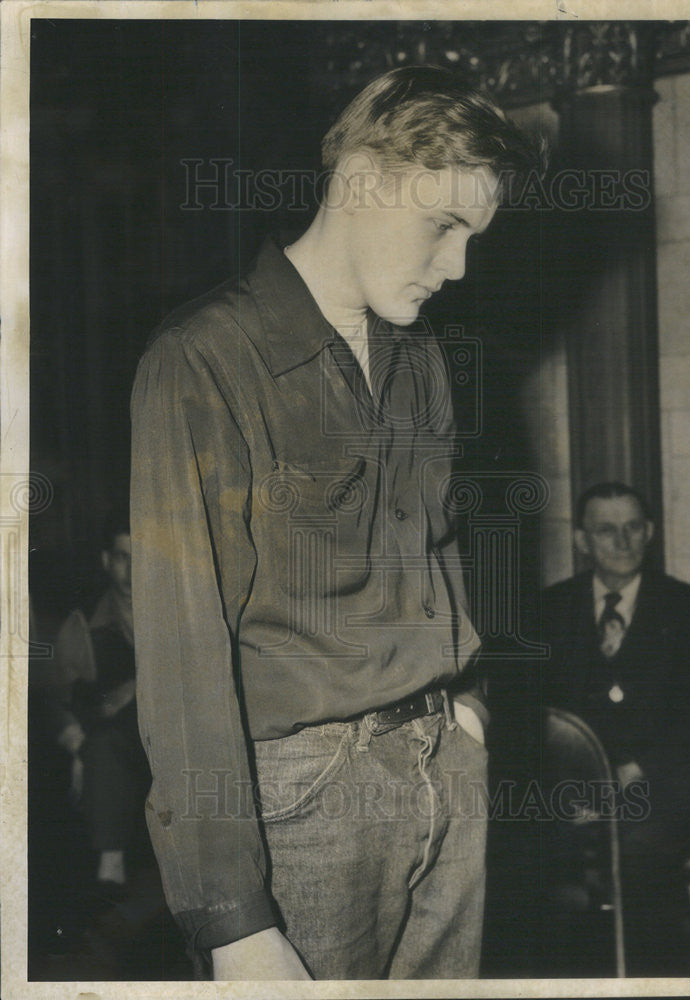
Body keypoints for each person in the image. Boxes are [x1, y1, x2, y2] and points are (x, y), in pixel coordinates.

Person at [130, 66, 538, 981]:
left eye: (475, 237)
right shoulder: (202, 360)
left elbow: (440, 549)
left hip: (447, 772)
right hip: (302, 810)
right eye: (444, 227)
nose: (459, 266)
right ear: (360, 178)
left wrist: (467, 712)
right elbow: (181, 658)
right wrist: (231, 919)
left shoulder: (421, 353)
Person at [536, 482, 690, 976]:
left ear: (650, 532)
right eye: (606, 530)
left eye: (633, 527)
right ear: (582, 541)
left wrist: (636, 770)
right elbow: (536, 715)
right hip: (567, 792)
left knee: (642, 862)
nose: (622, 541)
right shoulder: (548, 610)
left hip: (656, 789)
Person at [50, 512, 150, 894]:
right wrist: (75, 743)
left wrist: (137, 686)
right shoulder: (83, 623)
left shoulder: (172, 612)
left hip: (173, 728)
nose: (130, 570)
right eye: (123, 557)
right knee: (103, 743)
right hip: (118, 739)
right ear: (107, 561)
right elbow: (59, 696)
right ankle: (112, 865)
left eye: (139, 558)